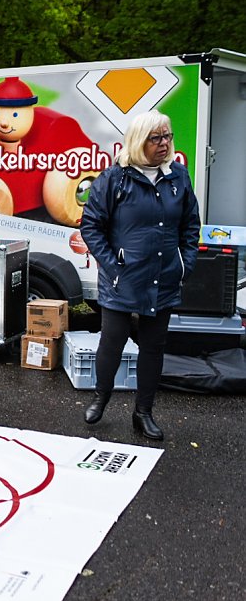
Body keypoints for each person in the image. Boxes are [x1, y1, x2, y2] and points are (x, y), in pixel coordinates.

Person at [79, 109, 200, 440]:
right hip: (122, 277)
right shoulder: (114, 179)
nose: (164, 144)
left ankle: (143, 412)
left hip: (163, 277)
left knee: (153, 347)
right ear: (138, 141)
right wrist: (111, 264)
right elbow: (91, 226)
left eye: (168, 136)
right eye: (156, 138)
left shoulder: (178, 177)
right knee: (112, 342)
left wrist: (185, 263)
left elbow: (190, 225)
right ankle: (101, 396)